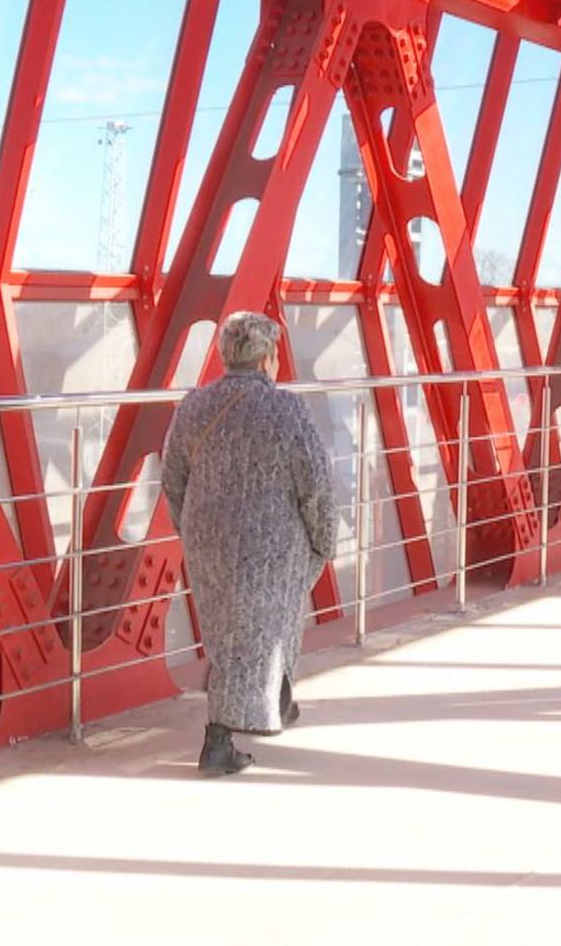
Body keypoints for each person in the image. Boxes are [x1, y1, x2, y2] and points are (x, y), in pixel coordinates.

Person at [162, 311, 338, 776]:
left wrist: (192, 529)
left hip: (208, 540)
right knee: (261, 627)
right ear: (266, 359)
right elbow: (315, 484)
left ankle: (275, 694)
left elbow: (172, 477)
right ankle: (219, 739)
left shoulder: (194, 406)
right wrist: (325, 539)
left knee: (232, 632)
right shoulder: (285, 409)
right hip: (271, 545)